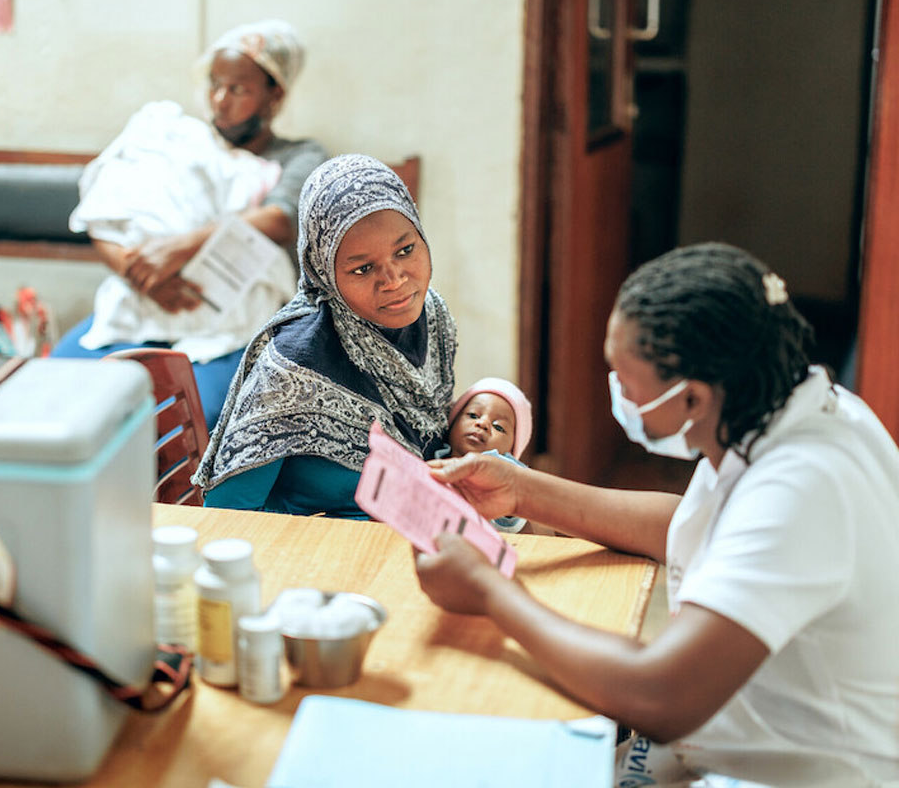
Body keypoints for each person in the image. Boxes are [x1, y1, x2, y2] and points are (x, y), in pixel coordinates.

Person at [415, 243, 899, 787]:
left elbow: (660, 694)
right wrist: (523, 491)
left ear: (691, 398)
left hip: (795, 770)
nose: (616, 389)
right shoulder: (789, 408)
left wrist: (488, 591)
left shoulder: (801, 487)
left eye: (624, 376)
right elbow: (687, 526)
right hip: (736, 729)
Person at [52, 19, 328, 430]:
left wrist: (178, 249)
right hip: (148, 297)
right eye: (214, 85)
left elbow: (278, 219)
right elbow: (110, 211)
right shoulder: (176, 144)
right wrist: (140, 271)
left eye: (238, 89)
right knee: (59, 381)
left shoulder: (298, 156)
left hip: (228, 321)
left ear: (275, 95)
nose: (219, 100)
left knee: (191, 421)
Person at [194, 154, 457, 518]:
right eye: (363, 269)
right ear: (324, 273)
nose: (395, 280)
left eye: (405, 250)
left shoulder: (431, 314)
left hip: (416, 533)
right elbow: (227, 516)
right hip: (321, 555)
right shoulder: (294, 368)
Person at [438, 377, 546, 534]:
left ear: (511, 450)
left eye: (498, 427)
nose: (482, 423)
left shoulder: (508, 474)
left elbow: (539, 532)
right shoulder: (434, 457)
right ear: (453, 422)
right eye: (473, 415)